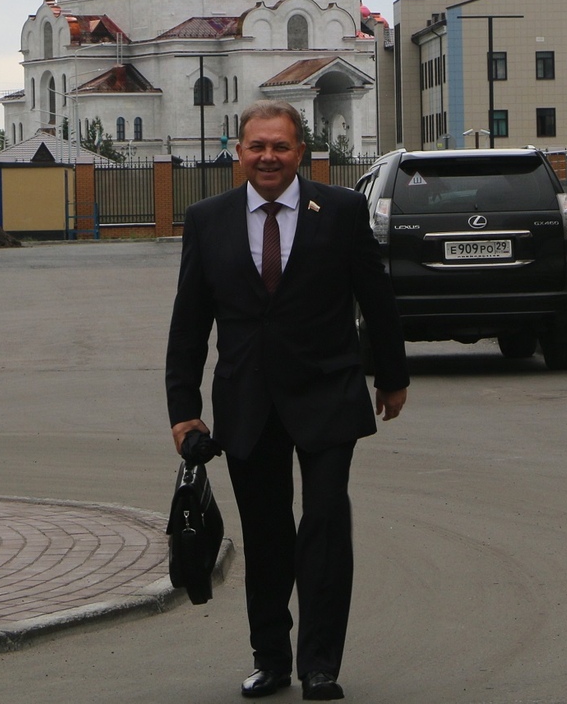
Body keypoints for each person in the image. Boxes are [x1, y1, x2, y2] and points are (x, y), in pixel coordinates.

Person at [166, 100, 408, 702]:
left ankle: (320, 664)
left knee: (324, 524)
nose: (268, 157)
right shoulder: (207, 219)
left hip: (327, 391)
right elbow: (189, 323)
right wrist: (182, 409)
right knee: (267, 532)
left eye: (280, 146)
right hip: (247, 399)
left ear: (301, 151)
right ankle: (270, 657)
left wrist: (393, 375)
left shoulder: (344, 211)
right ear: (239, 153)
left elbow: (375, 299)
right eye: (257, 147)